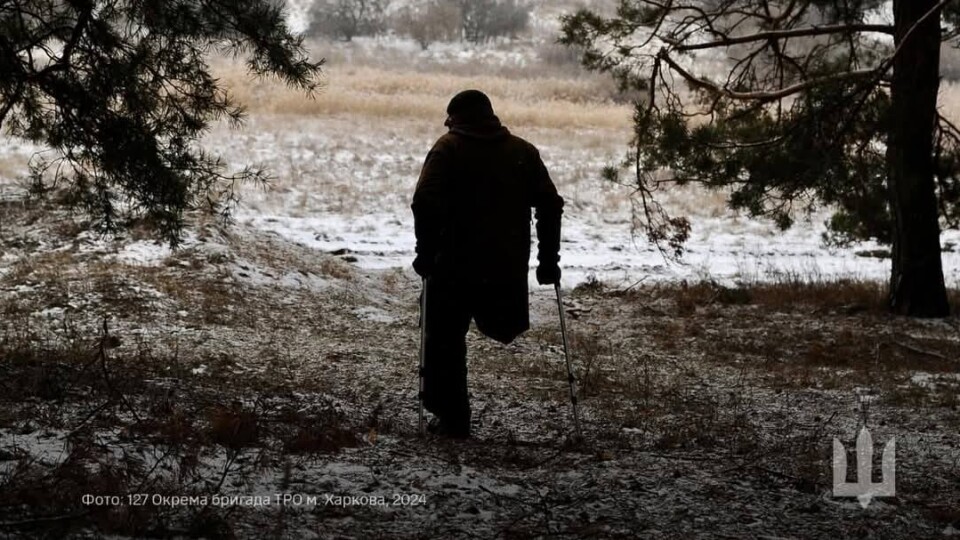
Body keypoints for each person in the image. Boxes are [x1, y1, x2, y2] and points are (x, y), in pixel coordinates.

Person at [411, 89, 564, 438]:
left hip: (452, 264)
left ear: (456, 119)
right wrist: (548, 260)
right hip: (504, 266)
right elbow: (550, 205)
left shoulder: (447, 148)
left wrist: (425, 252)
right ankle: (452, 417)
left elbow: (424, 201)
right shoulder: (523, 152)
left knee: (443, 339)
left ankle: (453, 418)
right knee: (451, 335)